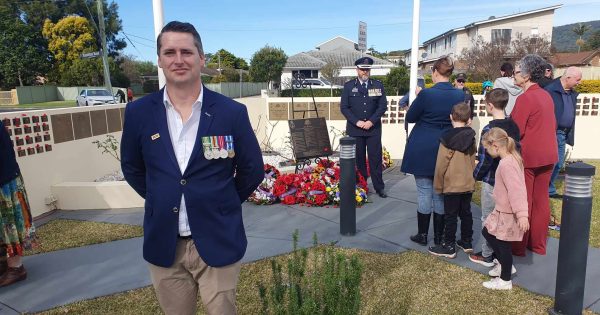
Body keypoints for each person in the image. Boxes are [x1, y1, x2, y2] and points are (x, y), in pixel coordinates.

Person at [120, 21, 264, 314]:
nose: (178, 59)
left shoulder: (231, 112)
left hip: (217, 239)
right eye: (169, 52)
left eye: (187, 51)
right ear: (159, 60)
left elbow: (252, 169)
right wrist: (162, 196)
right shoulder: (138, 112)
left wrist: (221, 201)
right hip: (164, 242)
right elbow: (132, 167)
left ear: (202, 58)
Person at [402, 55, 465, 246]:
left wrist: (417, 99)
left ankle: (422, 235)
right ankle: (438, 236)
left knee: (424, 192)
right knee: (439, 192)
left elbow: (411, 117)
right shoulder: (459, 94)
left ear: (435, 72)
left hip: (422, 145)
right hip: (446, 145)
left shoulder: (426, 94)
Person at [510, 54, 558, 256]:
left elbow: (515, 131)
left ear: (527, 75)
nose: (514, 75)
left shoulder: (526, 98)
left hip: (530, 156)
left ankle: (519, 246)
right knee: (541, 200)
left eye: (517, 71)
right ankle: (538, 245)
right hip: (549, 154)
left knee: (525, 201)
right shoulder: (546, 95)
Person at [469, 89, 521, 267]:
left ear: (490, 105)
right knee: (504, 219)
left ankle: (488, 254)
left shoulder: (490, 129)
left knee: (488, 219)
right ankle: (501, 254)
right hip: (510, 181)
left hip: (493, 181)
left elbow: (485, 160)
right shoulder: (514, 125)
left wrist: (475, 176)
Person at [480, 127, 529, 290]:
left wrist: (522, 215)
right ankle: (505, 266)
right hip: (501, 209)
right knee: (487, 231)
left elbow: (517, 190)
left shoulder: (507, 164)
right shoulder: (508, 160)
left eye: (487, 148)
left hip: (508, 212)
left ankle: (505, 280)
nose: (487, 152)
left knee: (503, 246)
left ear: (495, 145)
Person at [429, 102, 477, 258]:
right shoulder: (471, 136)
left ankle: (449, 245)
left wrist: (438, 184)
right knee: (466, 213)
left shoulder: (446, 138)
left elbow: (441, 163)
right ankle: (467, 241)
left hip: (451, 183)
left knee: (451, 215)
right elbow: (471, 159)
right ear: (468, 119)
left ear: (451, 117)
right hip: (467, 181)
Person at [340, 56, 388, 198]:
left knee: (375, 159)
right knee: (359, 159)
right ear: (357, 70)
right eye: (362, 69)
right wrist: (358, 122)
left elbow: (382, 106)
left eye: (367, 69)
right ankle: (362, 186)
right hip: (356, 129)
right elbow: (344, 108)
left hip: (373, 129)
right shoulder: (349, 86)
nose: (365, 72)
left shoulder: (377, 85)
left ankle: (379, 187)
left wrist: (371, 121)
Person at [0, 120, 37, 287]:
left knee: (9, 224)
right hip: (7, 178)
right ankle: (7, 263)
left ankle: (16, 268)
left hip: (4, 182)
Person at [545, 67, 582, 199]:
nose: (579, 83)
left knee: (559, 163)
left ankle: (549, 190)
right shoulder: (550, 90)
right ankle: (545, 190)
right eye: (577, 80)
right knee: (552, 163)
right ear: (568, 78)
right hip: (552, 133)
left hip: (563, 134)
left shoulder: (572, 93)